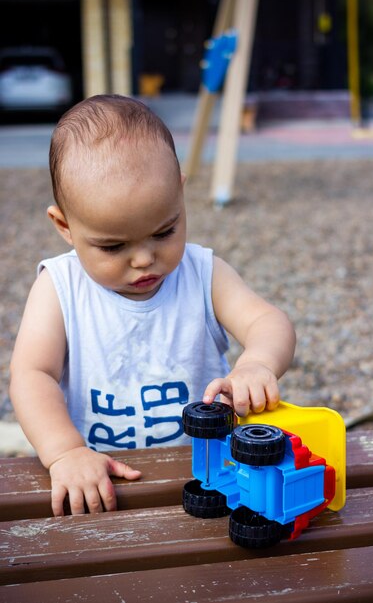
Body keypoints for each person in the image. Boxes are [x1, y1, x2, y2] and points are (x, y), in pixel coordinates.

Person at [9, 94, 296, 517]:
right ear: (65, 226)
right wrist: (65, 452)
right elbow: (32, 375)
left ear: (179, 194)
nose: (144, 259)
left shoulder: (202, 273)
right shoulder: (60, 286)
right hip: (103, 481)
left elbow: (267, 320)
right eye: (113, 245)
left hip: (206, 479)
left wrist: (257, 363)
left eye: (164, 232)